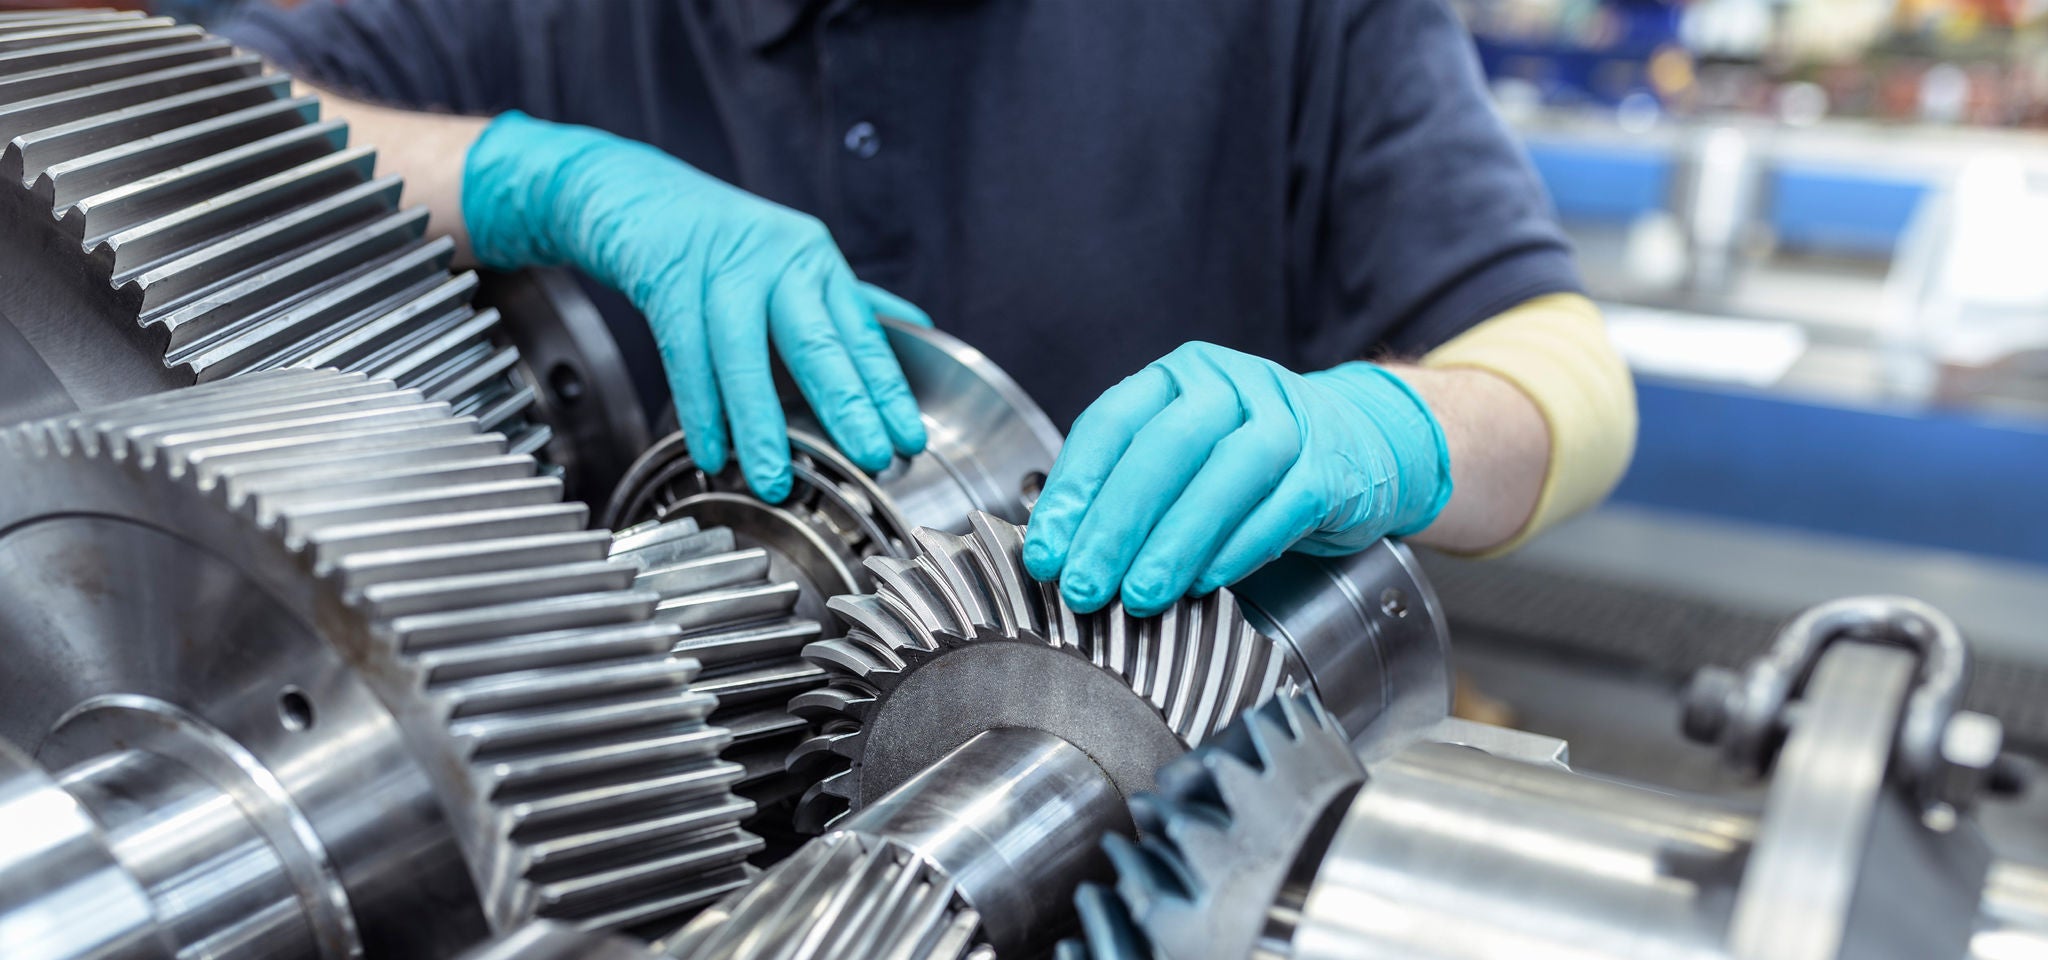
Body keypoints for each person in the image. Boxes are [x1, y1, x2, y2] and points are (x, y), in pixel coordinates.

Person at [220, 0, 1635, 616]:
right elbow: (162, 109)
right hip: (704, 822)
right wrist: (529, 173)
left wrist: (1383, 432)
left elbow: (1564, 374)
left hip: (1175, 827)